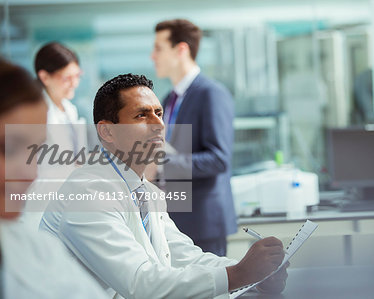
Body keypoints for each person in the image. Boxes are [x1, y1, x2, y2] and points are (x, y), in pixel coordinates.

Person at [40, 73, 288, 298]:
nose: (158, 125)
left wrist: (255, 277)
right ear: (106, 132)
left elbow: (183, 257)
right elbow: (140, 283)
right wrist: (239, 274)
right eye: (141, 115)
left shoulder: (147, 192)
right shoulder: (87, 194)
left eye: (158, 113)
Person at [0, 59, 108, 298]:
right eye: (7, 149)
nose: (30, 174)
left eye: (36, 150)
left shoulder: (38, 250)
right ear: (45, 77)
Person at [151, 19, 236, 256]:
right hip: (176, 220)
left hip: (203, 222)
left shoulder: (211, 94)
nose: (152, 56)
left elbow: (219, 159)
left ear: (181, 50)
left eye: (158, 48)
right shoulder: (169, 99)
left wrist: (160, 164)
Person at [23, 42, 87, 229]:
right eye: (67, 78)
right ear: (44, 77)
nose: (74, 83)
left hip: (66, 206)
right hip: (39, 209)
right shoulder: (34, 113)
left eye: (77, 76)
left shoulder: (70, 110)